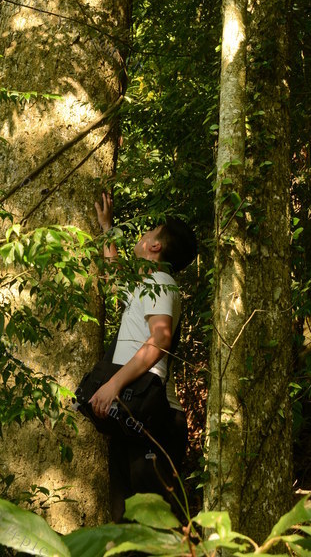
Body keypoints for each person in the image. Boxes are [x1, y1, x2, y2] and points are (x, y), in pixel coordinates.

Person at [89, 193, 198, 523]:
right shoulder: (147, 286)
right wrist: (106, 228)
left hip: (154, 419)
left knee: (156, 524)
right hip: (135, 413)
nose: (143, 234)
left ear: (155, 247)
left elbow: (161, 338)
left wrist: (113, 384)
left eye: (150, 231)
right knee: (128, 522)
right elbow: (113, 281)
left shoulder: (162, 282)